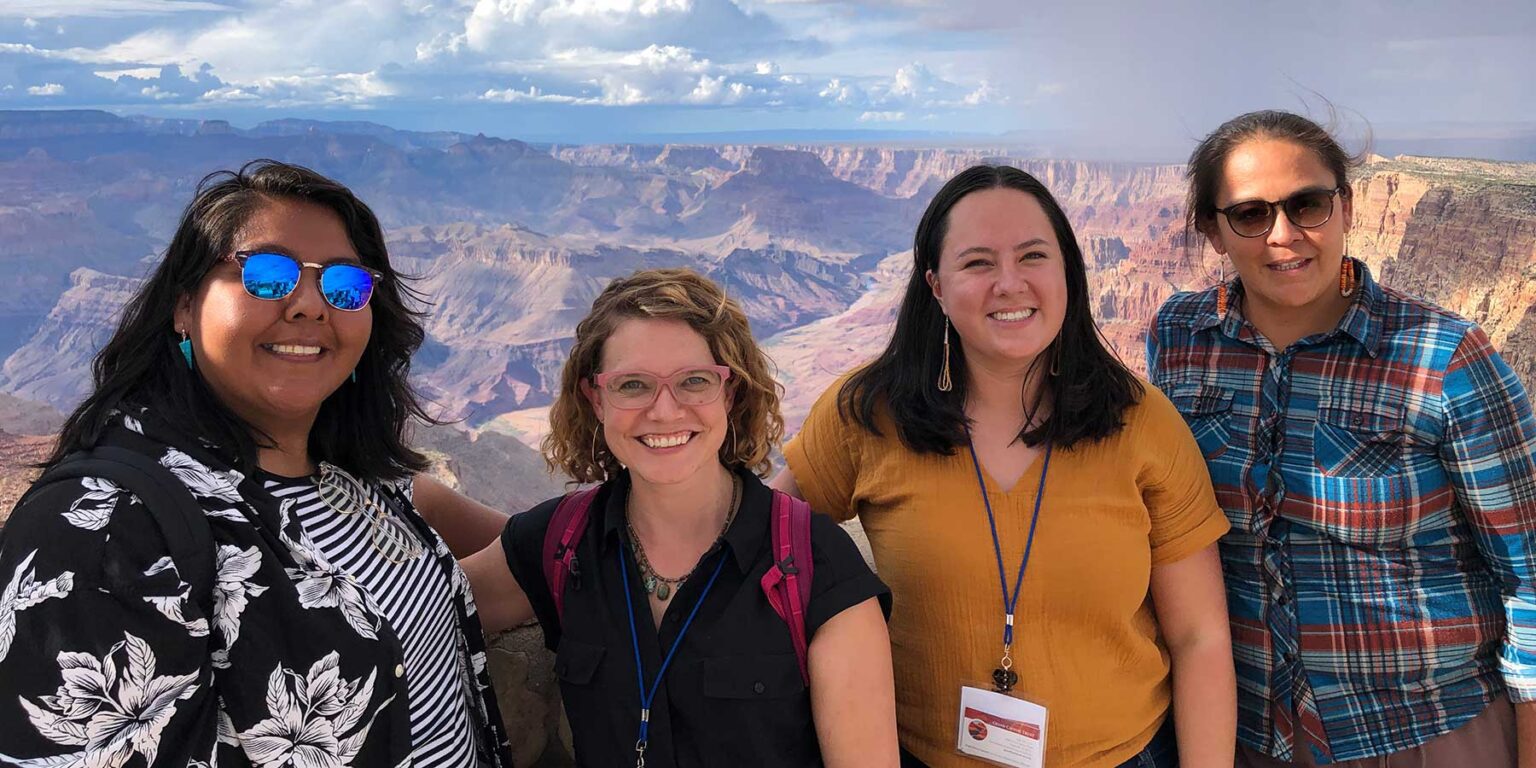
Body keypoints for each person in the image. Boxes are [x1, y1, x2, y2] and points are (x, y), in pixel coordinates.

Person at [0, 160, 512, 767]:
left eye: (345, 285)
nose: (309, 306)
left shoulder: (357, 479)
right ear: (184, 305)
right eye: (269, 276)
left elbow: (521, 562)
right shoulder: (99, 532)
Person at [774, 165, 1236, 767]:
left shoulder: (1142, 424)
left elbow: (1199, 638)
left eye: (1033, 256)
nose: (1009, 283)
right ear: (935, 286)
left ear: (1069, 272)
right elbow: (764, 545)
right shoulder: (867, 414)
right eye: (977, 263)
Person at [1147, 109, 1536, 768]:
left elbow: (1529, 580)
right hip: (1238, 736)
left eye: (1308, 204)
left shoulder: (1443, 359)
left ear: (1347, 208)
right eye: (1250, 215)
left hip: (1423, 737)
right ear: (1213, 231)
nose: (1284, 236)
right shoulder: (1181, 340)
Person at [462, 268, 898, 768]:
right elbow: (416, 612)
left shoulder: (815, 567)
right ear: (595, 398)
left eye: (694, 381)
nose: (665, 411)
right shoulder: (558, 543)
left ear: (730, 393)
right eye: (632, 384)